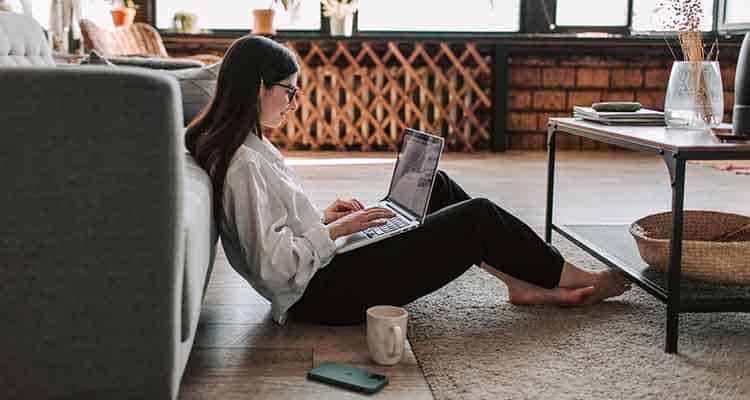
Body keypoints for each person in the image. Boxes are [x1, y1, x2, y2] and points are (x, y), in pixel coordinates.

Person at [185, 35, 631, 326]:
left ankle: (519, 282)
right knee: (477, 217)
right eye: (290, 91)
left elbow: (274, 233)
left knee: (436, 186)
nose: (295, 103)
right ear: (259, 87)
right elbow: (273, 267)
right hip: (317, 296)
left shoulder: (250, 147)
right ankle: (572, 277)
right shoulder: (245, 164)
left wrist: (325, 218)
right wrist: (336, 231)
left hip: (323, 270)